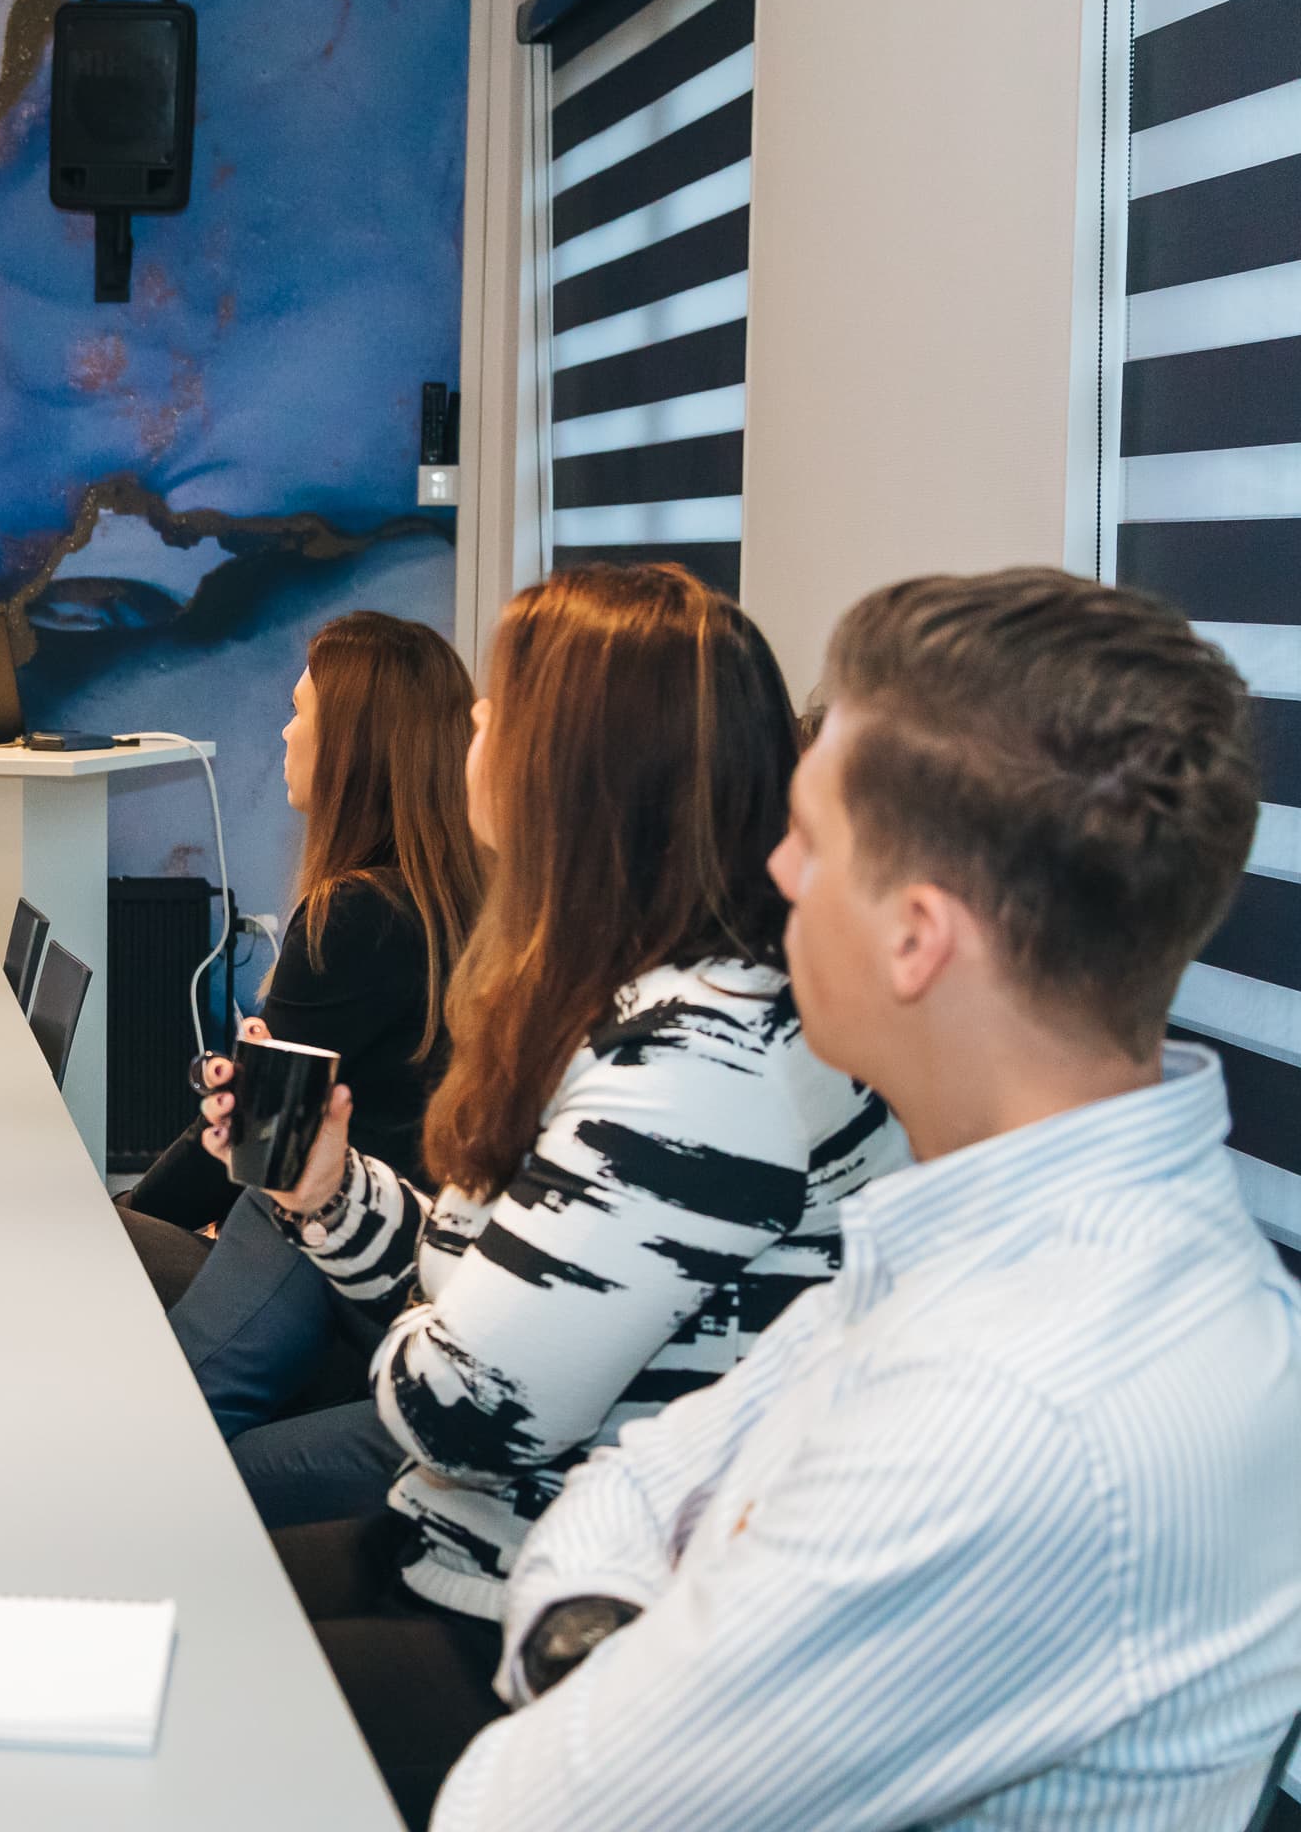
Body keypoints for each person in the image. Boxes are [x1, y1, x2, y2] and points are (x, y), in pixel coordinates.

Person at [433, 569, 1301, 1830]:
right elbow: (630, 1476)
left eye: (813, 837)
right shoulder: (1002, 1234)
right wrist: (617, 1631)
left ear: (916, 937)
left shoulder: (1013, 1402)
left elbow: (513, 1809)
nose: (775, 867)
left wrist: (608, 1631)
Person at [197, 562, 909, 1826]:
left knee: (169, 1685)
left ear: (569, 769)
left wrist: (448, 1321)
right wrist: (330, 1194)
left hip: (553, 1635)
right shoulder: (634, 1002)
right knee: (166, 1597)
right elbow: (482, 1304)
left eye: (494, 711)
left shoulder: (696, 1068)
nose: (468, 729)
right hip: (472, 1551)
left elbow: (461, 1406)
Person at [115, 612, 481, 1503]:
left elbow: (261, 1146)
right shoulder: (458, 900)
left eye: (300, 713)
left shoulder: (350, 914)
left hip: (333, 1256)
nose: (284, 732)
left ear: (352, 747)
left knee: (151, 1399)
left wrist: (132, 1210)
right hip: (391, 1260)